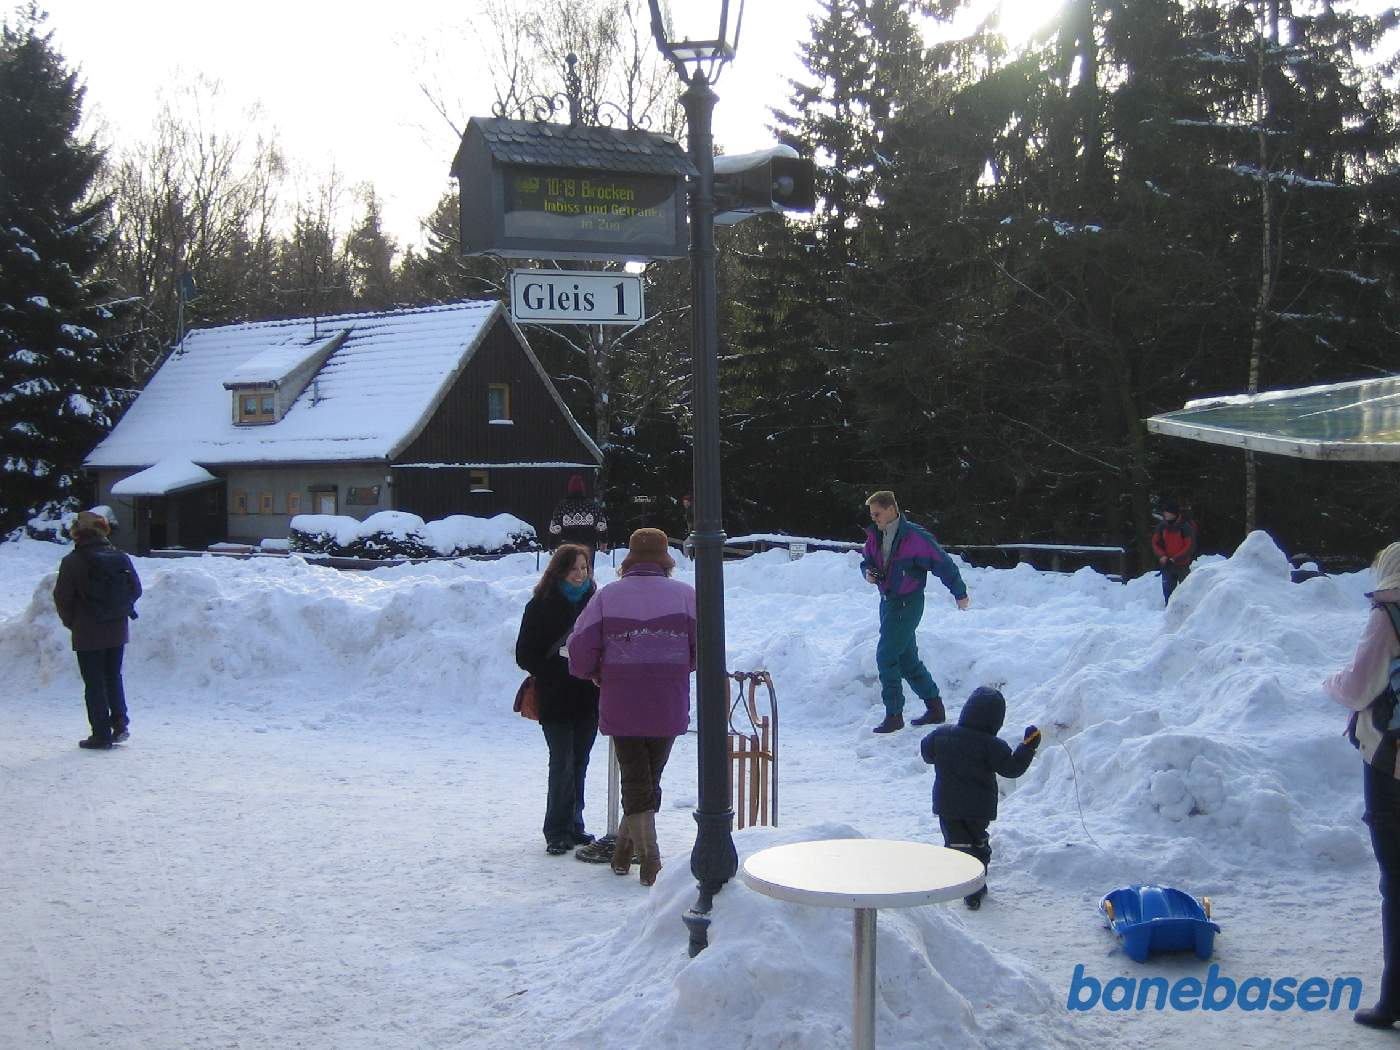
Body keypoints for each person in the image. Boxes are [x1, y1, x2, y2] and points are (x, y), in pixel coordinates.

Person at [568, 528, 696, 886]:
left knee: (638, 777)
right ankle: (646, 858)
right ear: (666, 559)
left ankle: (637, 855)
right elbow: (703, 646)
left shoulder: (608, 596)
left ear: (629, 560)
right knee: (649, 778)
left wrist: (593, 672)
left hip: (621, 699)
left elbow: (580, 647)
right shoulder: (686, 596)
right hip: (668, 700)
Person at [1324, 541, 1400, 1029]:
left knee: (1397, 881)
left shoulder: (1388, 617)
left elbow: (1358, 687)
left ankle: (1394, 999)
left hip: (1391, 763)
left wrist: (1329, 683)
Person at [919, 686, 1040, 909]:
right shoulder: (993, 746)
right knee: (977, 843)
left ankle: (957, 877)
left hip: (948, 805)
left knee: (956, 842)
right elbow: (1012, 769)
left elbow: (926, 752)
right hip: (978, 809)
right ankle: (974, 886)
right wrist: (1028, 747)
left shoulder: (942, 735)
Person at [515, 543, 601, 856]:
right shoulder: (540, 605)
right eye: (574, 568)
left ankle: (575, 824)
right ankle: (556, 830)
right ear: (559, 571)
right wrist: (558, 667)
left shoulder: (597, 603)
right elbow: (524, 654)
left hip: (588, 695)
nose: (580, 574)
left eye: (585, 567)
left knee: (580, 762)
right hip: (556, 696)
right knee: (562, 763)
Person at [860, 490, 969, 734]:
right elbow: (866, 560)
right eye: (872, 515)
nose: (874, 519)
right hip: (887, 602)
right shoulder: (874, 536)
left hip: (908, 603)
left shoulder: (915, 538)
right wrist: (868, 572)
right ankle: (935, 707)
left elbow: (943, 563)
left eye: (877, 514)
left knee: (886, 656)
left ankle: (894, 714)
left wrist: (959, 592)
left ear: (891, 509)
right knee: (907, 660)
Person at [52, 510, 142, 750]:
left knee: (94, 683)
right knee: (113, 676)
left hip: (87, 630)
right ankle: (120, 724)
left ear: (77, 533)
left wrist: (72, 621)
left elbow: (62, 597)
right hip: (117, 628)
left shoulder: (73, 561)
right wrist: (119, 611)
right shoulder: (120, 556)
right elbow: (135, 589)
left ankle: (101, 734)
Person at [548, 474, 609, 564]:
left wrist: (552, 545)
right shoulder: (591, 506)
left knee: (569, 570)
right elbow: (601, 525)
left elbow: (555, 528)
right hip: (588, 544)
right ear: (583, 489)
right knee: (586, 569)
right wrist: (603, 541)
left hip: (567, 545)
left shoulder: (562, 507)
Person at [1151, 499, 1196, 604]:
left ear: (1174, 513)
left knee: (1186, 591)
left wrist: (1175, 558)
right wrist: (1162, 556)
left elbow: (1189, 546)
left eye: (1168, 512)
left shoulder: (1185, 526)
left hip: (1182, 565)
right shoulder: (1162, 526)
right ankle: (1169, 612)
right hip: (1167, 565)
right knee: (1168, 592)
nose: (1165, 514)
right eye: (1165, 512)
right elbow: (1155, 543)